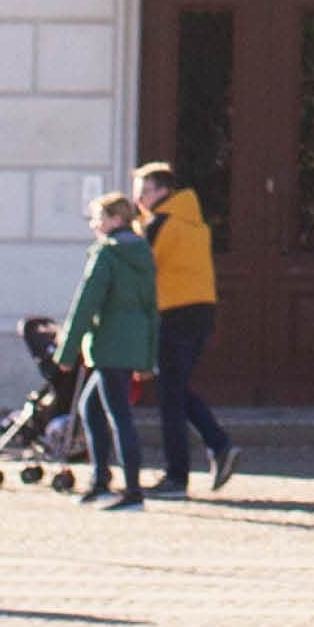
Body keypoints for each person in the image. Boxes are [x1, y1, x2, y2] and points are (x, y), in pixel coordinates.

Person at [53, 188, 160, 506]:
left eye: (98, 218)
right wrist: (148, 356)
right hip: (132, 343)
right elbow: (152, 308)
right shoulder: (143, 252)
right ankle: (101, 479)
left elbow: (86, 303)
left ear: (115, 220)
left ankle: (131, 490)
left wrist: (67, 352)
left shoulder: (107, 254)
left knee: (118, 416)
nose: (94, 225)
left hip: (110, 344)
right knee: (92, 408)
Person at [136, 161, 234, 496]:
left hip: (174, 312)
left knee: (169, 395)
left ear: (163, 191)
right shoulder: (194, 222)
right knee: (174, 388)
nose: (140, 198)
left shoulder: (161, 223)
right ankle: (218, 444)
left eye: (144, 191)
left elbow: (139, 263)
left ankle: (178, 475)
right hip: (202, 310)